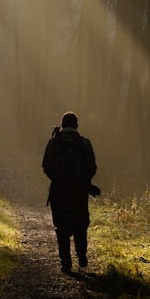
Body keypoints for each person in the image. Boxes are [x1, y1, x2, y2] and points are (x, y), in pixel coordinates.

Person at [42, 111, 97, 273]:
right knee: (81, 223)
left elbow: (46, 166)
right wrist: (83, 181)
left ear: (62, 124)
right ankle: (81, 254)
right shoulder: (85, 143)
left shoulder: (53, 143)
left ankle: (65, 261)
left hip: (59, 190)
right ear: (77, 125)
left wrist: (57, 179)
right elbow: (92, 167)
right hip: (79, 191)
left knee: (61, 225)